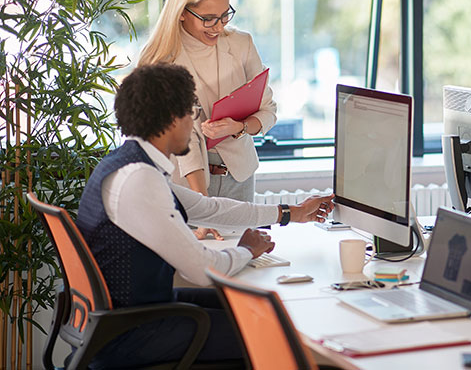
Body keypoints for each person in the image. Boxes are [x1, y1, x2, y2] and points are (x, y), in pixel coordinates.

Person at [74, 63, 333, 368]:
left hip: (124, 318)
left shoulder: (127, 165)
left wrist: (291, 212)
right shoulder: (139, 180)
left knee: (259, 310)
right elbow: (203, 270)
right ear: (172, 118)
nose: (195, 123)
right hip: (130, 334)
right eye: (192, 113)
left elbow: (209, 208)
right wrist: (247, 250)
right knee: (269, 332)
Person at [139, 0, 272, 240]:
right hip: (188, 180)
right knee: (197, 268)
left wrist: (240, 127)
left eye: (225, 15)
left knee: (242, 258)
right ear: (183, 12)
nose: (219, 26)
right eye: (209, 19)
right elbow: (184, 144)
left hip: (238, 174)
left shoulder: (242, 44)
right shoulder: (163, 60)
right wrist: (202, 205)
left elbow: (269, 110)